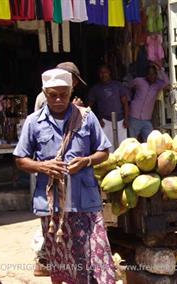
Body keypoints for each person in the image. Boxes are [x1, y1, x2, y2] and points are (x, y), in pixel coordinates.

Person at [14, 68, 115, 284]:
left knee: (96, 257)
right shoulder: (34, 122)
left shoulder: (87, 118)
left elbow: (104, 151)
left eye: (64, 94)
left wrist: (86, 161)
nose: (58, 99)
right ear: (44, 93)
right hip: (52, 206)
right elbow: (20, 159)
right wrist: (43, 166)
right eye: (53, 95)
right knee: (61, 260)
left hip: (85, 201)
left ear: (71, 92)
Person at [88, 65, 129, 151]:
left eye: (105, 72)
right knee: (108, 149)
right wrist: (97, 120)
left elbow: (125, 103)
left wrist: (126, 118)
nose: (103, 75)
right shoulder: (96, 88)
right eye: (101, 73)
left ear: (109, 73)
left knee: (123, 148)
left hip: (120, 121)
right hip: (105, 122)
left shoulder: (118, 85)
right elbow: (89, 108)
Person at [128, 64, 170, 141]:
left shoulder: (158, 84)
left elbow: (167, 82)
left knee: (150, 142)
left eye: (154, 74)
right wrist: (130, 100)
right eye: (149, 74)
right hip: (134, 117)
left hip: (147, 119)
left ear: (156, 74)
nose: (152, 76)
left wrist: (160, 69)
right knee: (132, 141)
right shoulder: (139, 81)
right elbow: (128, 87)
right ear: (146, 75)